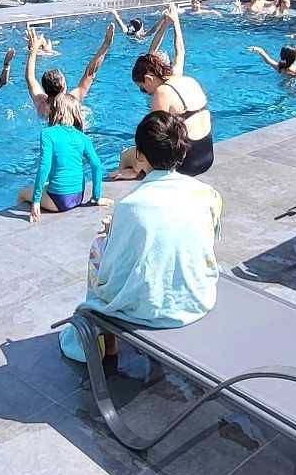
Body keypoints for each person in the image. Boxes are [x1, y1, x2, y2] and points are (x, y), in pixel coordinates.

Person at [59, 110, 222, 363]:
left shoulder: (131, 206)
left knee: (99, 248)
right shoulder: (207, 193)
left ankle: (109, 343)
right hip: (197, 298)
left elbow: (113, 274)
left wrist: (111, 236)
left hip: (150, 309)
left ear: (140, 155)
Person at [113, 31, 214, 178]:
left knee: (128, 154)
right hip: (206, 156)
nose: (145, 92)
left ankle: (130, 174)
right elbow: (180, 51)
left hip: (187, 163)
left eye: (142, 88)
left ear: (148, 79)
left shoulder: (162, 92)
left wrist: (137, 166)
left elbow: (151, 138)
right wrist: (175, 24)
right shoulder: (188, 80)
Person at [17, 93, 110, 221]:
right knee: (48, 182)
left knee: (22, 194)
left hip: (58, 200)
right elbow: (96, 165)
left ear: (56, 111)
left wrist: (36, 200)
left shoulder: (47, 134)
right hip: (78, 198)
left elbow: (44, 167)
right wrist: (96, 197)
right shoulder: (83, 137)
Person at [26, 23, 115, 122]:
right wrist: (106, 44)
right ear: (63, 86)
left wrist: (33, 50)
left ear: (44, 88)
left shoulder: (41, 103)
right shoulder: (72, 101)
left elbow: (30, 77)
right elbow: (90, 73)